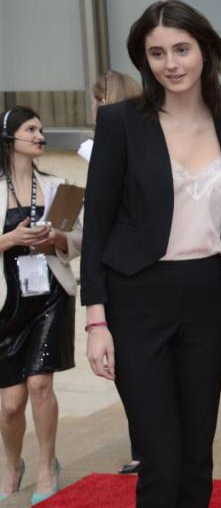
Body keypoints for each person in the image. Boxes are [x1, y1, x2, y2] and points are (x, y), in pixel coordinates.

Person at [81, 0, 221, 507]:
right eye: (157, 53)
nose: (171, 63)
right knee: (160, 459)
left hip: (207, 294)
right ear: (144, 60)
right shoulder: (123, 122)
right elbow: (97, 226)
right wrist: (96, 321)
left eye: (182, 49)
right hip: (135, 298)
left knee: (197, 457)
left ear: (205, 50)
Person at [0, 106, 79, 505]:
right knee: (11, 403)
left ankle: (48, 466)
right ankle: (12, 464)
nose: (40, 135)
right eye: (31, 129)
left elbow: (79, 240)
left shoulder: (58, 185)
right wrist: (12, 239)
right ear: (10, 137)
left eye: (42, 129)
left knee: (39, 384)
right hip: (6, 305)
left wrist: (56, 241)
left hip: (49, 297)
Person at [86, 70, 143, 476]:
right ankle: (145, 445)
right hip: (119, 281)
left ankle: (145, 445)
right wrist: (95, 318)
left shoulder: (100, 142)